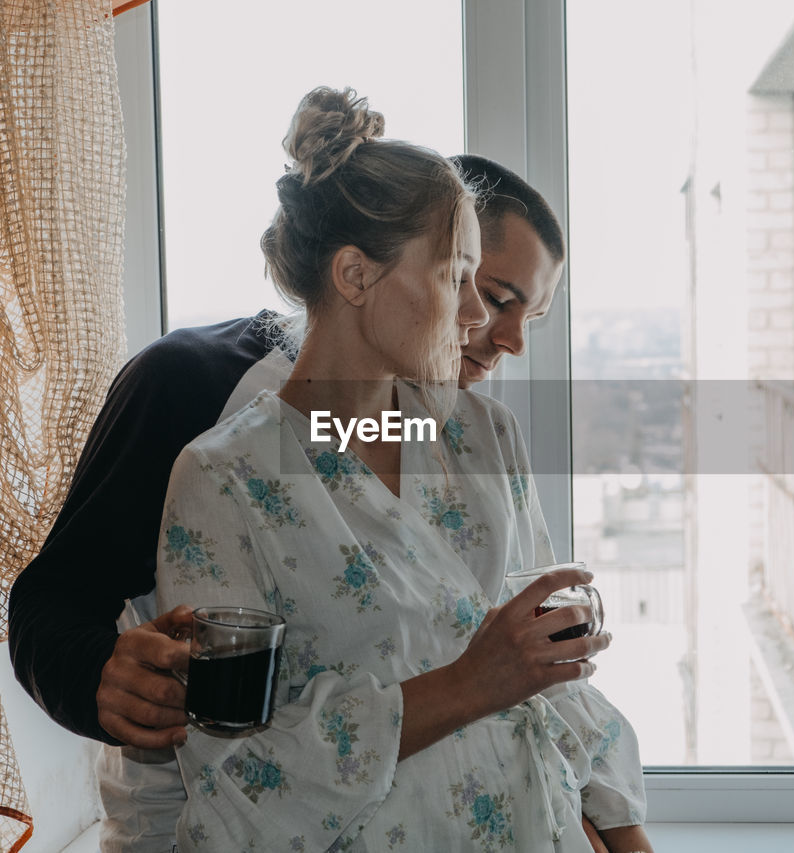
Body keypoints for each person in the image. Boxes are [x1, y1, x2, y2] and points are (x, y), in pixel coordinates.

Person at [118, 85, 650, 852]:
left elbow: (555, 689)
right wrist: (473, 682)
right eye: (454, 276)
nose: (475, 315)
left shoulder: (483, 438)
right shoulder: (223, 481)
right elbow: (237, 783)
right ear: (355, 277)